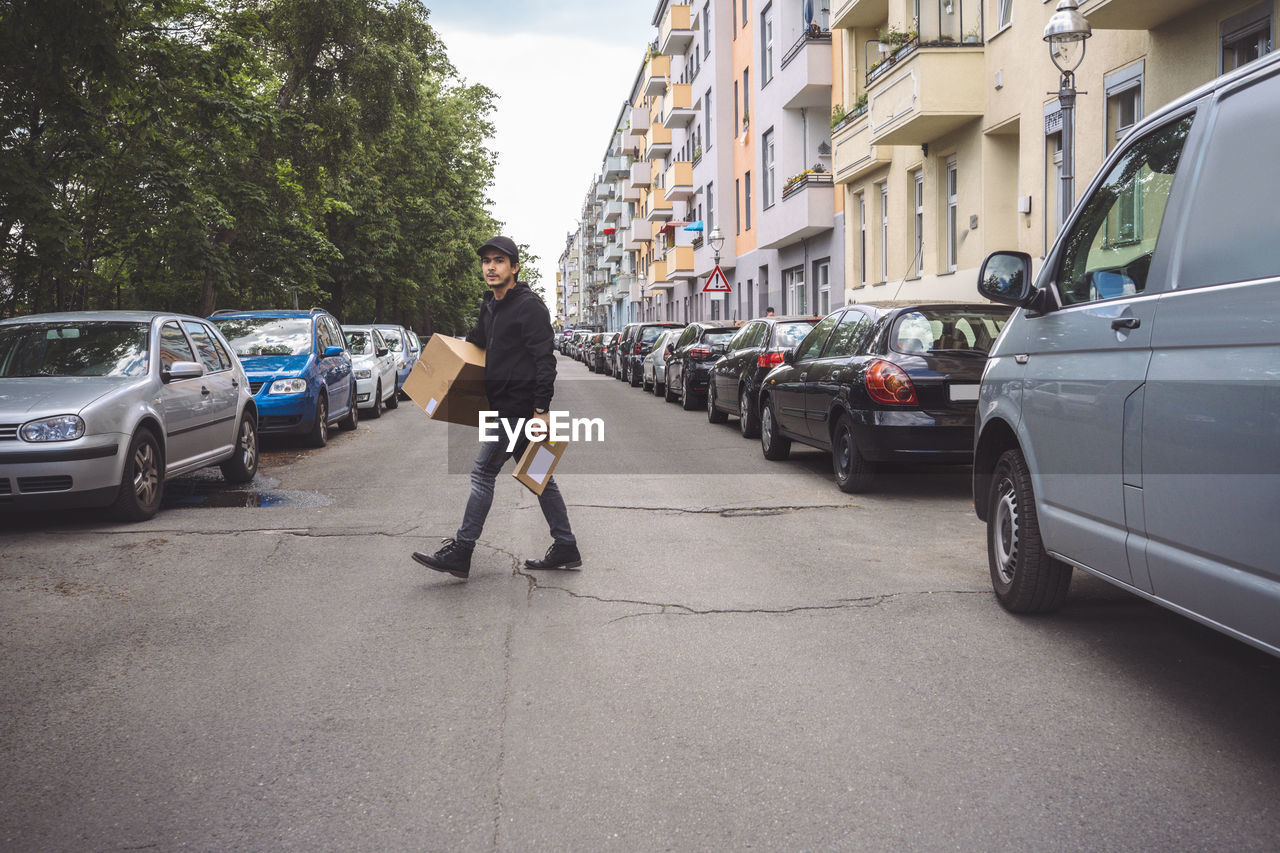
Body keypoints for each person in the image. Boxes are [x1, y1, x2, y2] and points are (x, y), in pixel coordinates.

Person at [412, 236, 581, 580]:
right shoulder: (490, 305)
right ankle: (565, 544)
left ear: (514, 267)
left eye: (499, 261)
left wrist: (541, 409)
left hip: (518, 409)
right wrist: (442, 361)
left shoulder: (529, 306)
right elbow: (477, 342)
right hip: (502, 405)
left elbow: (544, 360)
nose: (491, 267)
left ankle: (462, 550)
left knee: (482, 473)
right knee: (540, 477)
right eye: (486, 261)